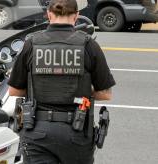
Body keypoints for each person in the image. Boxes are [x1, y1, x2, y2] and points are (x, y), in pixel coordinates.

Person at [8, 0, 116, 164]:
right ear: (77, 16)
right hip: (76, 132)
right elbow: (105, 94)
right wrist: (81, 90)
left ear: (49, 15)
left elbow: (14, 91)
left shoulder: (31, 43)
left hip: (37, 132)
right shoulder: (88, 44)